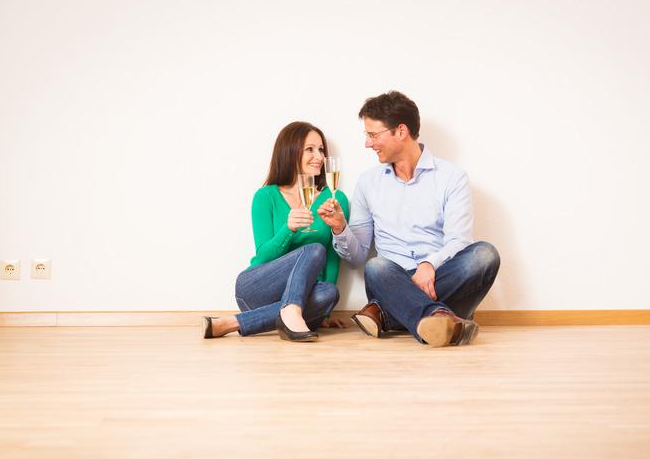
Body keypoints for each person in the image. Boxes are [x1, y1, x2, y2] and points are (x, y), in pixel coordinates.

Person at [318, 91, 500, 348]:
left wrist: (429, 264)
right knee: (376, 267)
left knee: (484, 255)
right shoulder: (368, 183)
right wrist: (339, 227)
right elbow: (358, 257)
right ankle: (441, 316)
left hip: (438, 276)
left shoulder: (451, 177)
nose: (368, 144)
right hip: (392, 277)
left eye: (373, 135)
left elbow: (458, 241)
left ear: (400, 131)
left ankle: (386, 314)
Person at [202, 121, 350, 342]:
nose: (319, 156)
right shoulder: (265, 197)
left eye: (321, 150)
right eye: (310, 149)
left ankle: (233, 323)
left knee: (329, 293)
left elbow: (332, 258)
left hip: (307, 295)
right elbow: (263, 256)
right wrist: (288, 229)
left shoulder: (335, 199)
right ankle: (291, 310)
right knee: (314, 249)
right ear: (289, 151)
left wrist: (325, 311)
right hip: (257, 288)